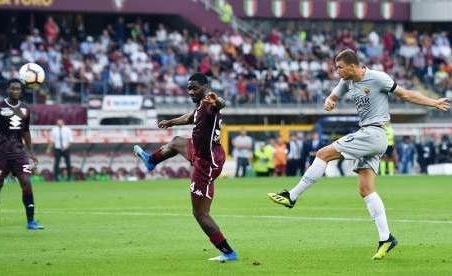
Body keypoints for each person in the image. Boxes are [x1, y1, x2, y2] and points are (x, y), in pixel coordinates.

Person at [267, 49, 450, 260]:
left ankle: (292, 196)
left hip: (374, 133)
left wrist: (434, 102)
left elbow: (405, 94)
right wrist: (330, 102)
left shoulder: (378, 78)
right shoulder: (347, 81)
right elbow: (333, 95)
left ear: (352, 66)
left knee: (323, 153)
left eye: (340, 67)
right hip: (369, 134)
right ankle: (386, 238)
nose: (337, 72)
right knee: (366, 190)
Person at [133, 73, 237, 262]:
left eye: (194, 88)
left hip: (206, 163)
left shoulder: (208, 102)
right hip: (202, 152)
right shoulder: (200, 106)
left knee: (200, 213)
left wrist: (217, 100)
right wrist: (171, 122)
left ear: (205, 87)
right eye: (188, 88)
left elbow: (220, 104)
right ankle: (152, 161)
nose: (190, 92)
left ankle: (228, 252)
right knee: (176, 142)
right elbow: (191, 117)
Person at [0, 79, 44, 230]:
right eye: (12, 89)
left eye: (18, 89)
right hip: (1, 155)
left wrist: (31, 152)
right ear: (8, 90)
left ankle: (31, 221)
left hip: (19, 154)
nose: (15, 91)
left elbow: (25, 131)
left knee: (26, 183)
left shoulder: (25, 109)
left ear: (21, 91)